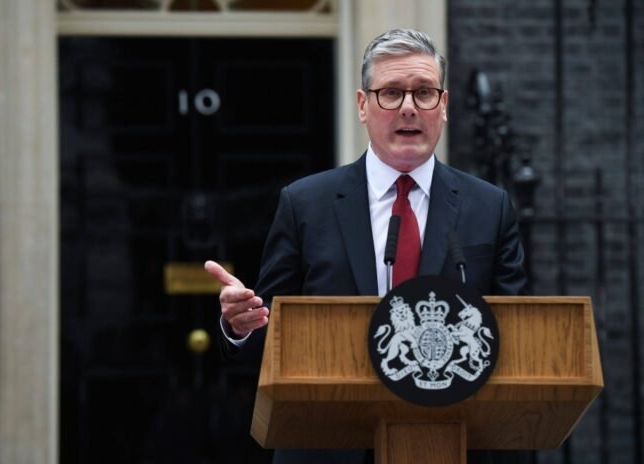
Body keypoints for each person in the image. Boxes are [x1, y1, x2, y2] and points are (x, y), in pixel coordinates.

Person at [206, 28, 529, 464]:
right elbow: (274, 336)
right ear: (363, 105)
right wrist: (241, 326)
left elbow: (518, 338)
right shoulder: (306, 204)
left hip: (454, 441)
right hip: (327, 446)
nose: (409, 108)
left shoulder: (490, 207)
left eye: (424, 93)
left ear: (445, 105)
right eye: (391, 92)